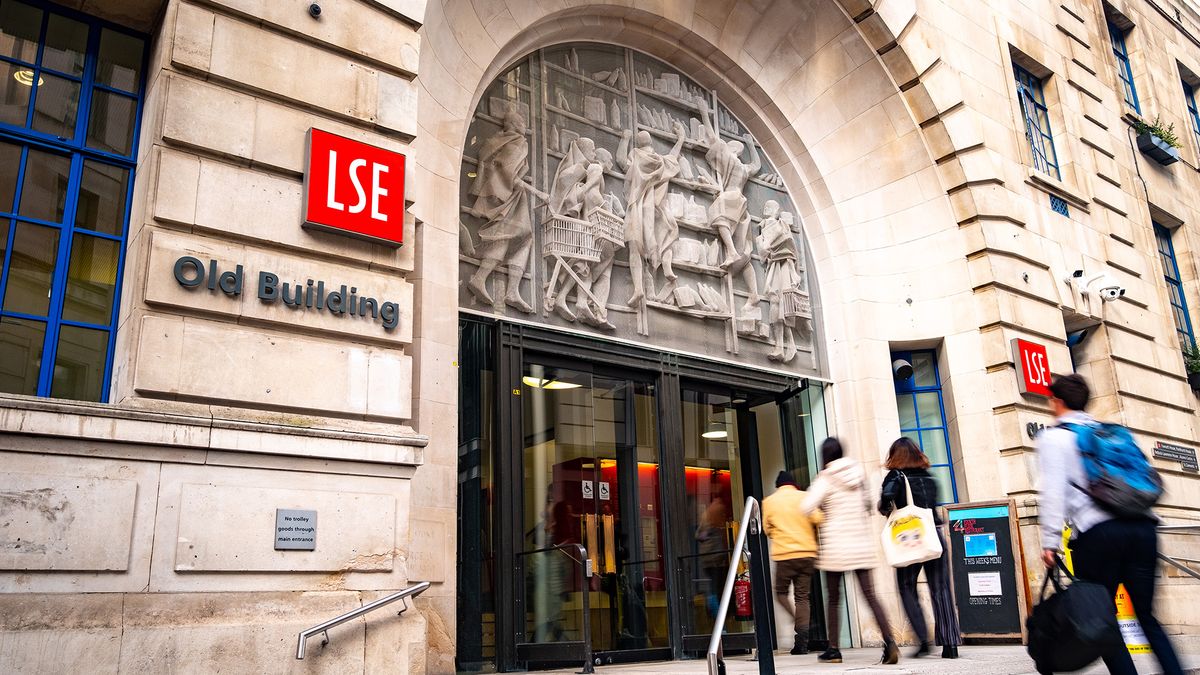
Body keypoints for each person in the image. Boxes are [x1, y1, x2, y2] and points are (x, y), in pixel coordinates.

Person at [1037, 374, 1183, 675]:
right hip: (1143, 527)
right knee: (1147, 616)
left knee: (1103, 618)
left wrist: (1050, 542)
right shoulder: (1111, 432)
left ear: (1057, 401)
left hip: (1098, 533)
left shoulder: (1054, 438)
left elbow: (1053, 493)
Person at [802, 437, 899, 665]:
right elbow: (867, 505)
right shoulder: (858, 474)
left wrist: (823, 514)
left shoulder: (825, 478)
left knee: (834, 599)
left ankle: (833, 649)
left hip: (836, 545)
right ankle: (890, 642)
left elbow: (805, 506)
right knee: (870, 596)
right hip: (861, 544)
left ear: (825, 456)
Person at [878, 437, 961, 659]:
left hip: (908, 538)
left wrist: (887, 508)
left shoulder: (896, 476)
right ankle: (950, 644)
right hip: (933, 535)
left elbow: (885, 499)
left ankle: (924, 639)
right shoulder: (930, 477)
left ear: (895, 456)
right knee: (941, 588)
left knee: (906, 586)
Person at [762, 470, 822, 655]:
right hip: (807, 553)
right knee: (802, 597)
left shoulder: (769, 502)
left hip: (784, 555)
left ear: (778, 486)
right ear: (793, 484)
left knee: (780, 593)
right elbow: (819, 519)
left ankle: (800, 624)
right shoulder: (805, 497)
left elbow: (766, 529)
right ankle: (802, 640)